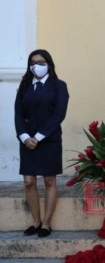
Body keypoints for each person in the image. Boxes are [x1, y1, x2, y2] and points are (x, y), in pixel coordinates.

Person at [14, 49, 69, 238]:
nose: (37, 65)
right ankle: (36, 221)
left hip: (49, 140)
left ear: (49, 64)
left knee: (49, 180)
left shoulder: (59, 86)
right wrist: (23, 136)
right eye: (33, 62)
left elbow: (59, 114)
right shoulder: (24, 86)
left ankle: (46, 223)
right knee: (29, 182)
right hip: (27, 141)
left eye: (42, 62)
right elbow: (18, 114)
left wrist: (38, 137)